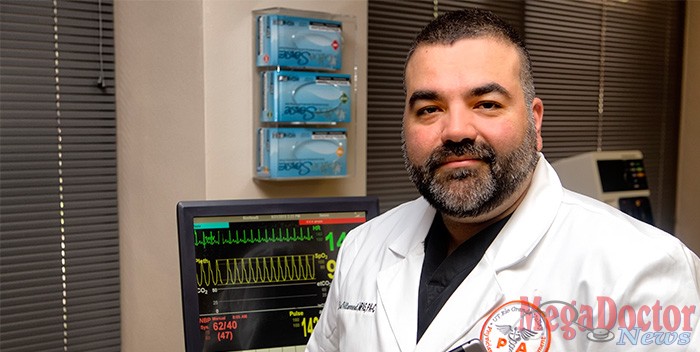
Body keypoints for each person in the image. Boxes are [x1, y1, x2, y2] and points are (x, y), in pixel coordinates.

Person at [306, 8, 700, 352]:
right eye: (429, 108)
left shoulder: (640, 269)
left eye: (487, 104)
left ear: (535, 120)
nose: (456, 130)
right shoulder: (363, 248)